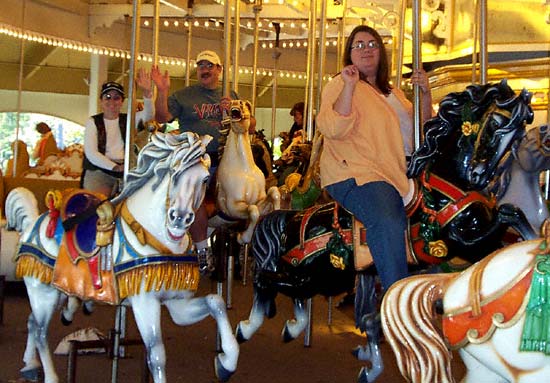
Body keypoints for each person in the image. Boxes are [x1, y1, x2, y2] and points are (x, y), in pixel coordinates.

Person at [316, 25, 417, 292]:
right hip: (357, 172)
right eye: (358, 45)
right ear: (349, 54)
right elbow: (333, 127)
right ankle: (397, 302)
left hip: (399, 172)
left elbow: (418, 130)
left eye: (372, 44)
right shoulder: (340, 83)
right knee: (388, 220)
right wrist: (349, 86)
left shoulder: (393, 93)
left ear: (381, 52)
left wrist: (425, 95)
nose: (366, 49)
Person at [151, 50, 238, 273]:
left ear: (219, 70)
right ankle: (202, 249)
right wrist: (162, 91)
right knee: (195, 196)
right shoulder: (184, 95)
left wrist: (234, 111)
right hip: (196, 159)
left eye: (210, 65)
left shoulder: (230, 95)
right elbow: (161, 118)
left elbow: (250, 124)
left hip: (225, 158)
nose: (205, 70)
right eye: (201, 66)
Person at [81, 68, 153, 198]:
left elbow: (149, 115)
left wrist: (147, 93)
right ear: (101, 101)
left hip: (126, 169)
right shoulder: (93, 122)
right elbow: (91, 153)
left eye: (116, 98)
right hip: (99, 170)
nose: (111, 102)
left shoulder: (129, 119)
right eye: (107, 97)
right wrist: (114, 167)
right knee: (97, 204)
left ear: (122, 101)